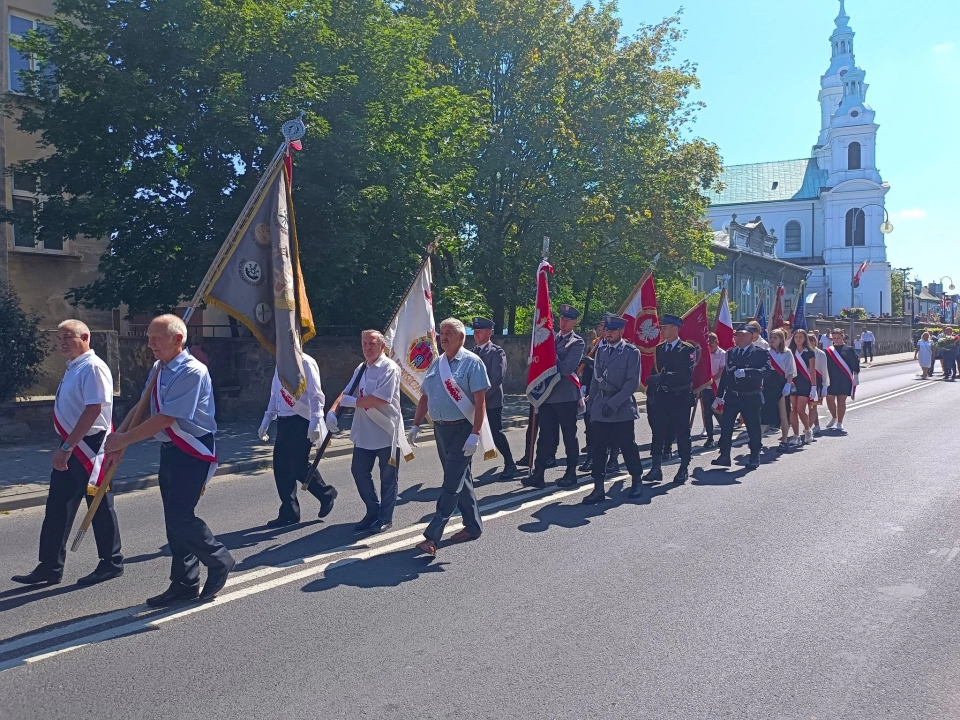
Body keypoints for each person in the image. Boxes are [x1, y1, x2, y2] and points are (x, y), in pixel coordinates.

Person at [104, 315, 234, 606]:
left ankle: (219, 559)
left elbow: (166, 418)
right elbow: (143, 407)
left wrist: (125, 440)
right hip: (170, 451)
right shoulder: (159, 368)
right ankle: (185, 582)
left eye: (156, 338)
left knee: (181, 517)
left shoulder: (192, 371)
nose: (149, 343)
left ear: (178, 340)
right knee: (173, 521)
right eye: (149, 337)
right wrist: (119, 439)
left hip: (192, 450)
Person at [12, 320, 123, 587]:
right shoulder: (75, 366)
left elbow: (93, 410)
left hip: (90, 445)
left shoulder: (93, 367)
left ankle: (111, 562)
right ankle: (50, 566)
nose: (61, 342)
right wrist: (66, 445)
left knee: (99, 505)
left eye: (67, 337)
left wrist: (67, 447)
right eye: (58, 338)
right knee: (58, 507)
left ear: (85, 337)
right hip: (73, 443)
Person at [409, 318, 491, 558]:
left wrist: (475, 434)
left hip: (462, 430)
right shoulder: (437, 363)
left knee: (451, 482)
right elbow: (425, 397)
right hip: (441, 430)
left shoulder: (472, 363)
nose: (443, 337)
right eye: (441, 333)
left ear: (461, 337)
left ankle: (432, 536)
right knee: (460, 478)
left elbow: (479, 401)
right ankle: (473, 526)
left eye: (448, 333)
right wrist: (415, 426)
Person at [325, 330, 404, 535]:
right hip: (365, 431)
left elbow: (382, 398)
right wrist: (333, 411)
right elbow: (346, 392)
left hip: (386, 430)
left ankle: (386, 518)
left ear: (382, 346)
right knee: (359, 471)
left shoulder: (390, 368)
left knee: (388, 477)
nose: (367, 347)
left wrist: (355, 403)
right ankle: (372, 510)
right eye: (364, 343)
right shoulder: (362, 368)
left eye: (372, 343)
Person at [257, 351, 336, 527]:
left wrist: (315, 421)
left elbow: (316, 395)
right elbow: (275, 394)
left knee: (298, 464)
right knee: (281, 467)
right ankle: (289, 512)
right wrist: (267, 418)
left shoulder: (306, 362)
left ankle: (326, 494)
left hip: (302, 420)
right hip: (284, 421)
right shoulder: (281, 364)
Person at [583, 315, 645, 503]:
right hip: (602, 406)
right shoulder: (601, 351)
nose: (607, 334)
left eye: (612, 331)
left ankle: (636, 480)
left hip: (621, 407)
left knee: (628, 447)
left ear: (621, 332)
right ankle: (598, 487)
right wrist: (592, 402)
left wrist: (613, 403)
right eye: (606, 331)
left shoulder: (631, 352)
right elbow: (595, 379)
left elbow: (632, 383)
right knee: (599, 448)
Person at [525, 304, 585, 489]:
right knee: (545, 436)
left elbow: (567, 368)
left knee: (569, 435)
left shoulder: (577, 342)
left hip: (566, 397)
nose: (563, 322)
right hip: (547, 396)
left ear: (575, 322)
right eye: (561, 318)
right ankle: (539, 473)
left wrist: (549, 352)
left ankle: (571, 472)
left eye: (568, 319)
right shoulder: (549, 339)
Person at [644, 314, 696, 483]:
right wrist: (651, 392)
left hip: (679, 397)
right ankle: (656, 467)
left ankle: (683, 467)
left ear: (675, 328)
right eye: (662, 327)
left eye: (665, 327)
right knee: (658, 432)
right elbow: (654, 372)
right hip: (662, 396)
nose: (662, 330)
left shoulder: (687, 349)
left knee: (682, 433)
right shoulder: (659, 349)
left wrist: (663, 377)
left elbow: (686, 374)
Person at [713, 323, 770, 470]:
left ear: (752, 336)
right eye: (738, 335)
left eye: (743, 335)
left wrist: (748, 372)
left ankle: (754, 455)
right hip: (733, 395)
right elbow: (726, 374)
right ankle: (724, 455)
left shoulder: (760, 352)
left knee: (753, 428)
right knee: (726, 426)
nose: (740, 338)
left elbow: (766, 371)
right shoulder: (731, 352)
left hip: (751, 396)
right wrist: (719, 395)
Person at [471, 318, 517, 479]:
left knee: (495, 433)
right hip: (473, 402)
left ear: (489, 332)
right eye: (475, 331)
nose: (476, 334)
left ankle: (510, 463)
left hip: (491, 401)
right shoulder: (472, 352)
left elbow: (496, 379)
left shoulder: (497, 352)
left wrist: (480, 398)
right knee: (468, 434)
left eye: (480, 331)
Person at [824, 327, 861, 433]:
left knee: (841, 401)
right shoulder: (828, 351)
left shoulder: (849, 349)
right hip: (831, 379)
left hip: (844, 379)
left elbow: (855, 363)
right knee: (829, 399)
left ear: (842, 337)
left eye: (838, 338)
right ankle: (834, 416)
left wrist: (856, 377)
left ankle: (840, 422)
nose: (836, 340)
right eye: (834, 338)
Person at [766, 329, 796, 451]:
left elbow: (790, 371)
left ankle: (784, 440)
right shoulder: (766, 353)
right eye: (771, 337)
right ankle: (757, 441)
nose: (772, 339)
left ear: (781, 340)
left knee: (783, 413)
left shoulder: (787, 353)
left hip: (781, 384)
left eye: (775, 338)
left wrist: (788, 385)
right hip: (768, 384)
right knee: (764, 413)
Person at [788, 328, 817, 446]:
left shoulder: (810, 352)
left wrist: (814, 386)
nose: (798, 339)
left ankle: (807, 429)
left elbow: (812, 370)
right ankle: (796, 435)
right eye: (796, 337)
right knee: (793, 410)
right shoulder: (790, 351)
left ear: (805, 338)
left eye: (800, 337)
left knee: (800, 410)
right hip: (792, 382)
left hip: (805, 382)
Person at [700, 332, 726, 450]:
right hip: (706, 388)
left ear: (717, 343)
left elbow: (721, 372)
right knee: (707, 414)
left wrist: (709, 380)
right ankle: (710, 438)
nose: (710, 348)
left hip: (718, 388)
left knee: (719, 412)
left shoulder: (722, 354)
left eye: (712, 345)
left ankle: (725, 434)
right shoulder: (705, 353)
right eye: (709, 345)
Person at [807, 332, 829, 436]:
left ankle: (809, 427)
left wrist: (825, 385)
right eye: (809, 340)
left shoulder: (821, 353)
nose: (811, 342)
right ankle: (816, 425)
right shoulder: (803, 352)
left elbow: (824, 370)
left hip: (818, 381)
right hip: (806, 380)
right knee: (810, 406)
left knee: (813, 405)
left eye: (812, 340)